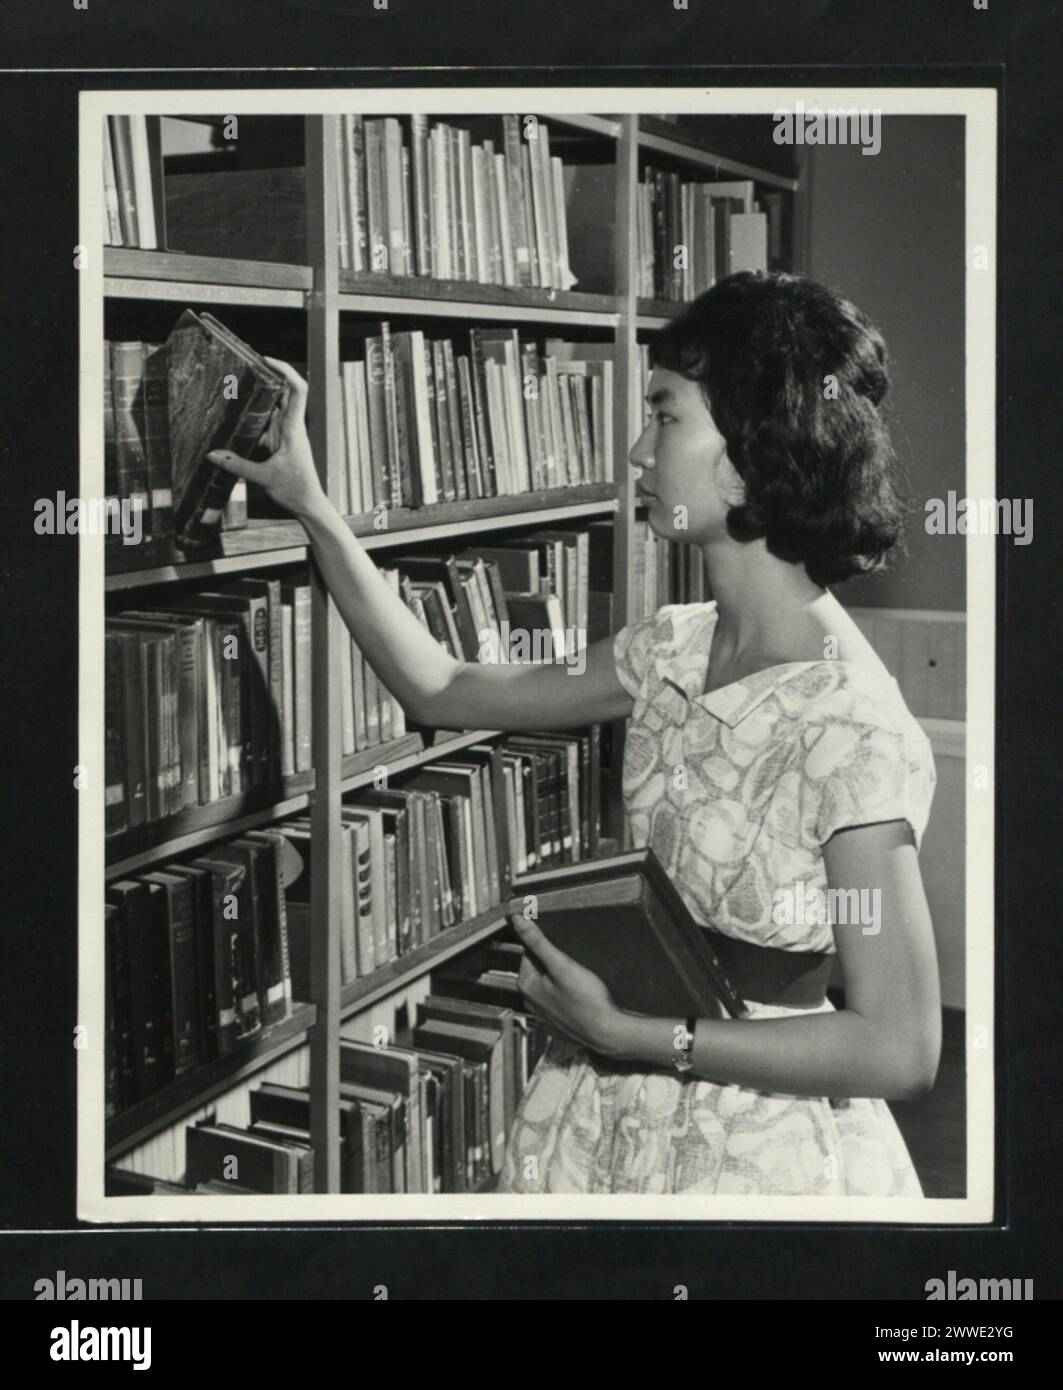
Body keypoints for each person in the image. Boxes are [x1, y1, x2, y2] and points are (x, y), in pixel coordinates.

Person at [210, 270, 940, 1197]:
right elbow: (441, 687)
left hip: (758, 1148)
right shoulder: (672, 647)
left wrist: (638, 1039)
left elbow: (899, 1045)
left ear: (751, 454)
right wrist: (311, 502)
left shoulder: (852, 727)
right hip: (610, 1109)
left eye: (665, 417)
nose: (637, 451)